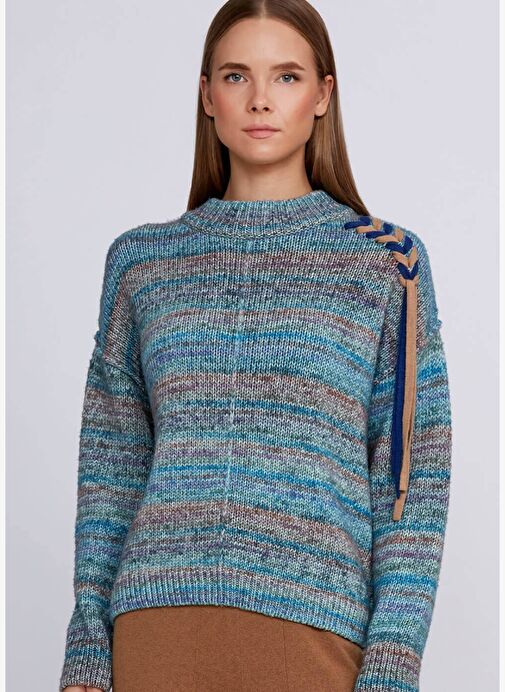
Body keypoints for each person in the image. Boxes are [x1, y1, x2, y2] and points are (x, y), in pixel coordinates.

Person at [59, 1, 452, 691]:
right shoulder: (142, 263)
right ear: (206, 95)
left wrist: (393, 665)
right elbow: (111, 470)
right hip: (155, 631)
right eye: (236, 76)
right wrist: (87, 649)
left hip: (313, 636)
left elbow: (411, 480)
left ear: (323, 95)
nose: (261, 99)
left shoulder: (387, 262)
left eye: (287, 76)